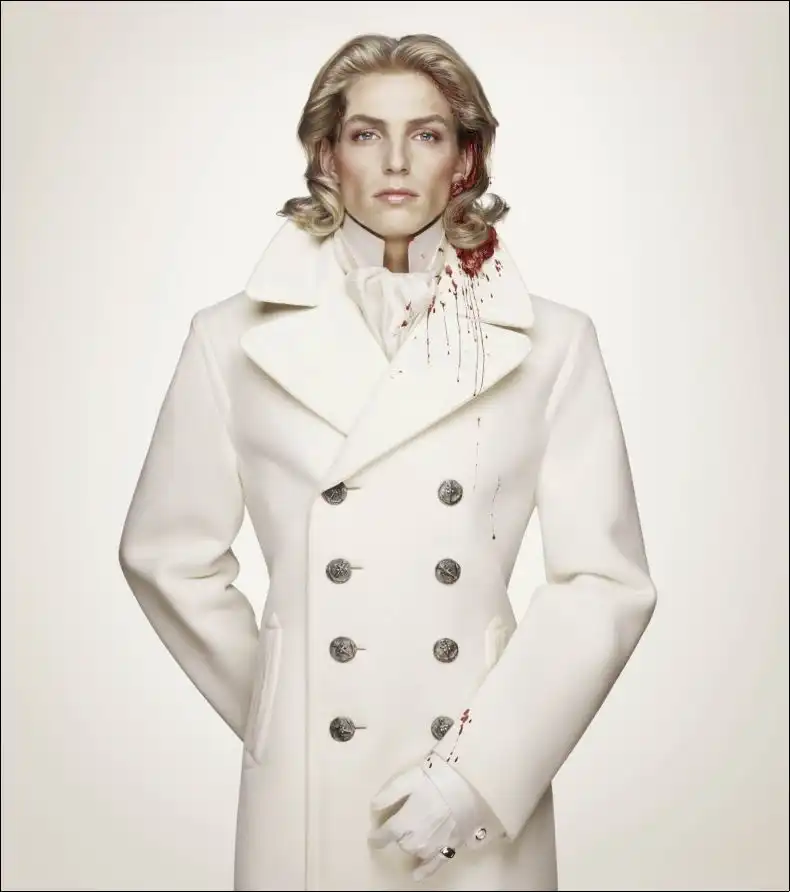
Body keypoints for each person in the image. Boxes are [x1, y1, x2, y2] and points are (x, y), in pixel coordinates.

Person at [118, 31, 658, 892]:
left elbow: (605, 584)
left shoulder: (553, 344)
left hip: (476, 784)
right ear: (326, 156)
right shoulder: (229, 341)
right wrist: (288, 711)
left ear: (466, 159)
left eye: (427, 134)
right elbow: (165, 555)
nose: (397, 161)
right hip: (312, 793)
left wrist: (483, 773)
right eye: (367, 133)